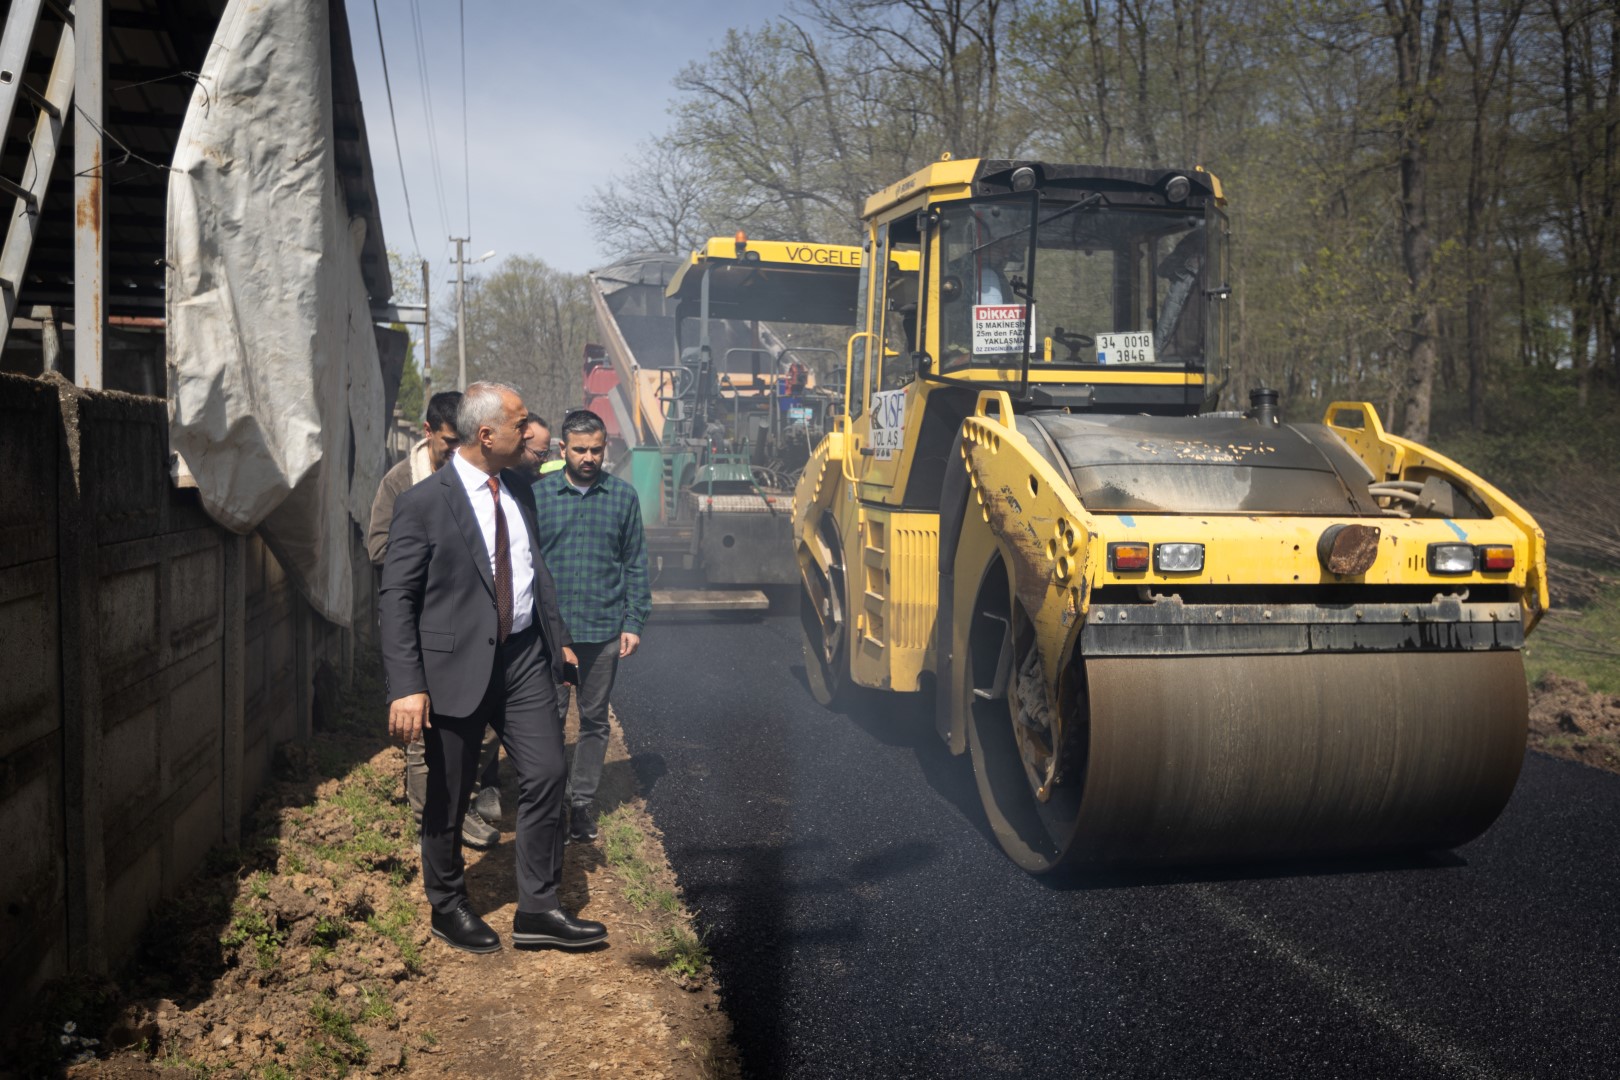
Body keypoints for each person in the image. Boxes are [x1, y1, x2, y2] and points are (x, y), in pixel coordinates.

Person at [380, 381, 605, 953]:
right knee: (450, 795)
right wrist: (407, 686)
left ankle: (537, 909)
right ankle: (448, 905)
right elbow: (396, 600)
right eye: (520, 423)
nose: (530, 433)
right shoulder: (423, 504)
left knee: (547, 773)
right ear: (487, 435)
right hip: (454, 667)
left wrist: (559, 641)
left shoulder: (520, 490)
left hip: (524, 658)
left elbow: (534, 572)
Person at [366, 391, 500, 850]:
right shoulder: (402, 482)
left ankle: (461, 807)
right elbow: (379, 549)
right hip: (426, 626)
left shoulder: (479, 479)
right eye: (447, 441)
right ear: (428, 433)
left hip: (471, 626)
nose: (454, 449)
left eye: (461, 440)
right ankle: (433, 828)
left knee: (474, 728)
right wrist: (442, 561)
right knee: (425, 734)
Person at [532, 409, 651, 844]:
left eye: (595, 450)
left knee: (595, 719)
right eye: (579, 450)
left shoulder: (622, 497)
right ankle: (552, 805)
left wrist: (634, 620)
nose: (588, 457)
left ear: (607, 448)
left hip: (602, 630)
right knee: (550, 719)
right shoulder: (540, 496)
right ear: (563, 448)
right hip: (551, 634)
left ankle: (581, 805)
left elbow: (635, 562)